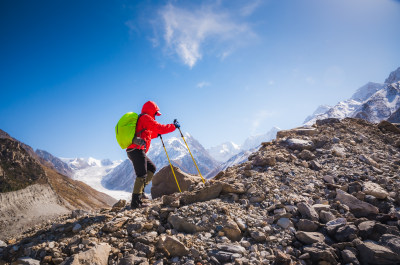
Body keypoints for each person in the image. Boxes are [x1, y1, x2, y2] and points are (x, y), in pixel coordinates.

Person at [127, 101, 179, 209]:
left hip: (135, 149)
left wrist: (157, 133)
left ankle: (140, 193)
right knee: (141, 174)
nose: (156, 116)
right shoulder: (146, 118)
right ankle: (135, 203)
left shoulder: (143, 119)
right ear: (152, 111)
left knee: (151, 168)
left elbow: (148, 134)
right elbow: (159, 127)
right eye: (155, 114)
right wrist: (173, 127)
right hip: (136, 150)